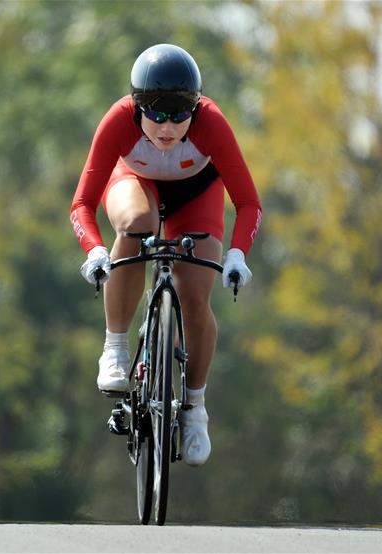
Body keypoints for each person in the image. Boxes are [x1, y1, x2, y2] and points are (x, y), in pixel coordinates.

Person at [70, 44, 262, 466]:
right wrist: (95, 249)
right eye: (156, 113)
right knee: (136, 225)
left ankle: (194, 407)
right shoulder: (118, 120)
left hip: (198, 192)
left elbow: (248, 202)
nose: (168, 126)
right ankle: (116, 347)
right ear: (136, 107)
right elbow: (81, 204)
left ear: (196, 108)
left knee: (194, 294)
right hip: (135, 182)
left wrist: (237, 254)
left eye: (180, 114)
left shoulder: (212, 124)